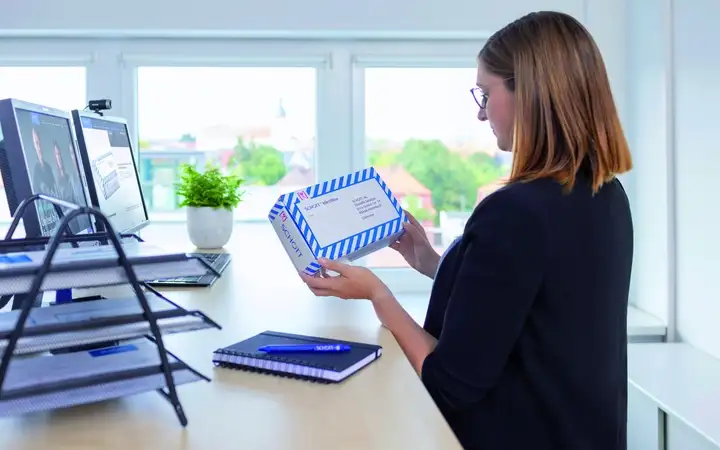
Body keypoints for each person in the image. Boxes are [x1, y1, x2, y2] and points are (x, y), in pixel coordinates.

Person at [300, 10, 633, 450]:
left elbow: (449, 383)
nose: (481, 114)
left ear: (529, 93)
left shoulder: (515, 212)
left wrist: (378, 296)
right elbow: (528, 306)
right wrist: (432, 264)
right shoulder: (606, 194)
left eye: (485, 93)